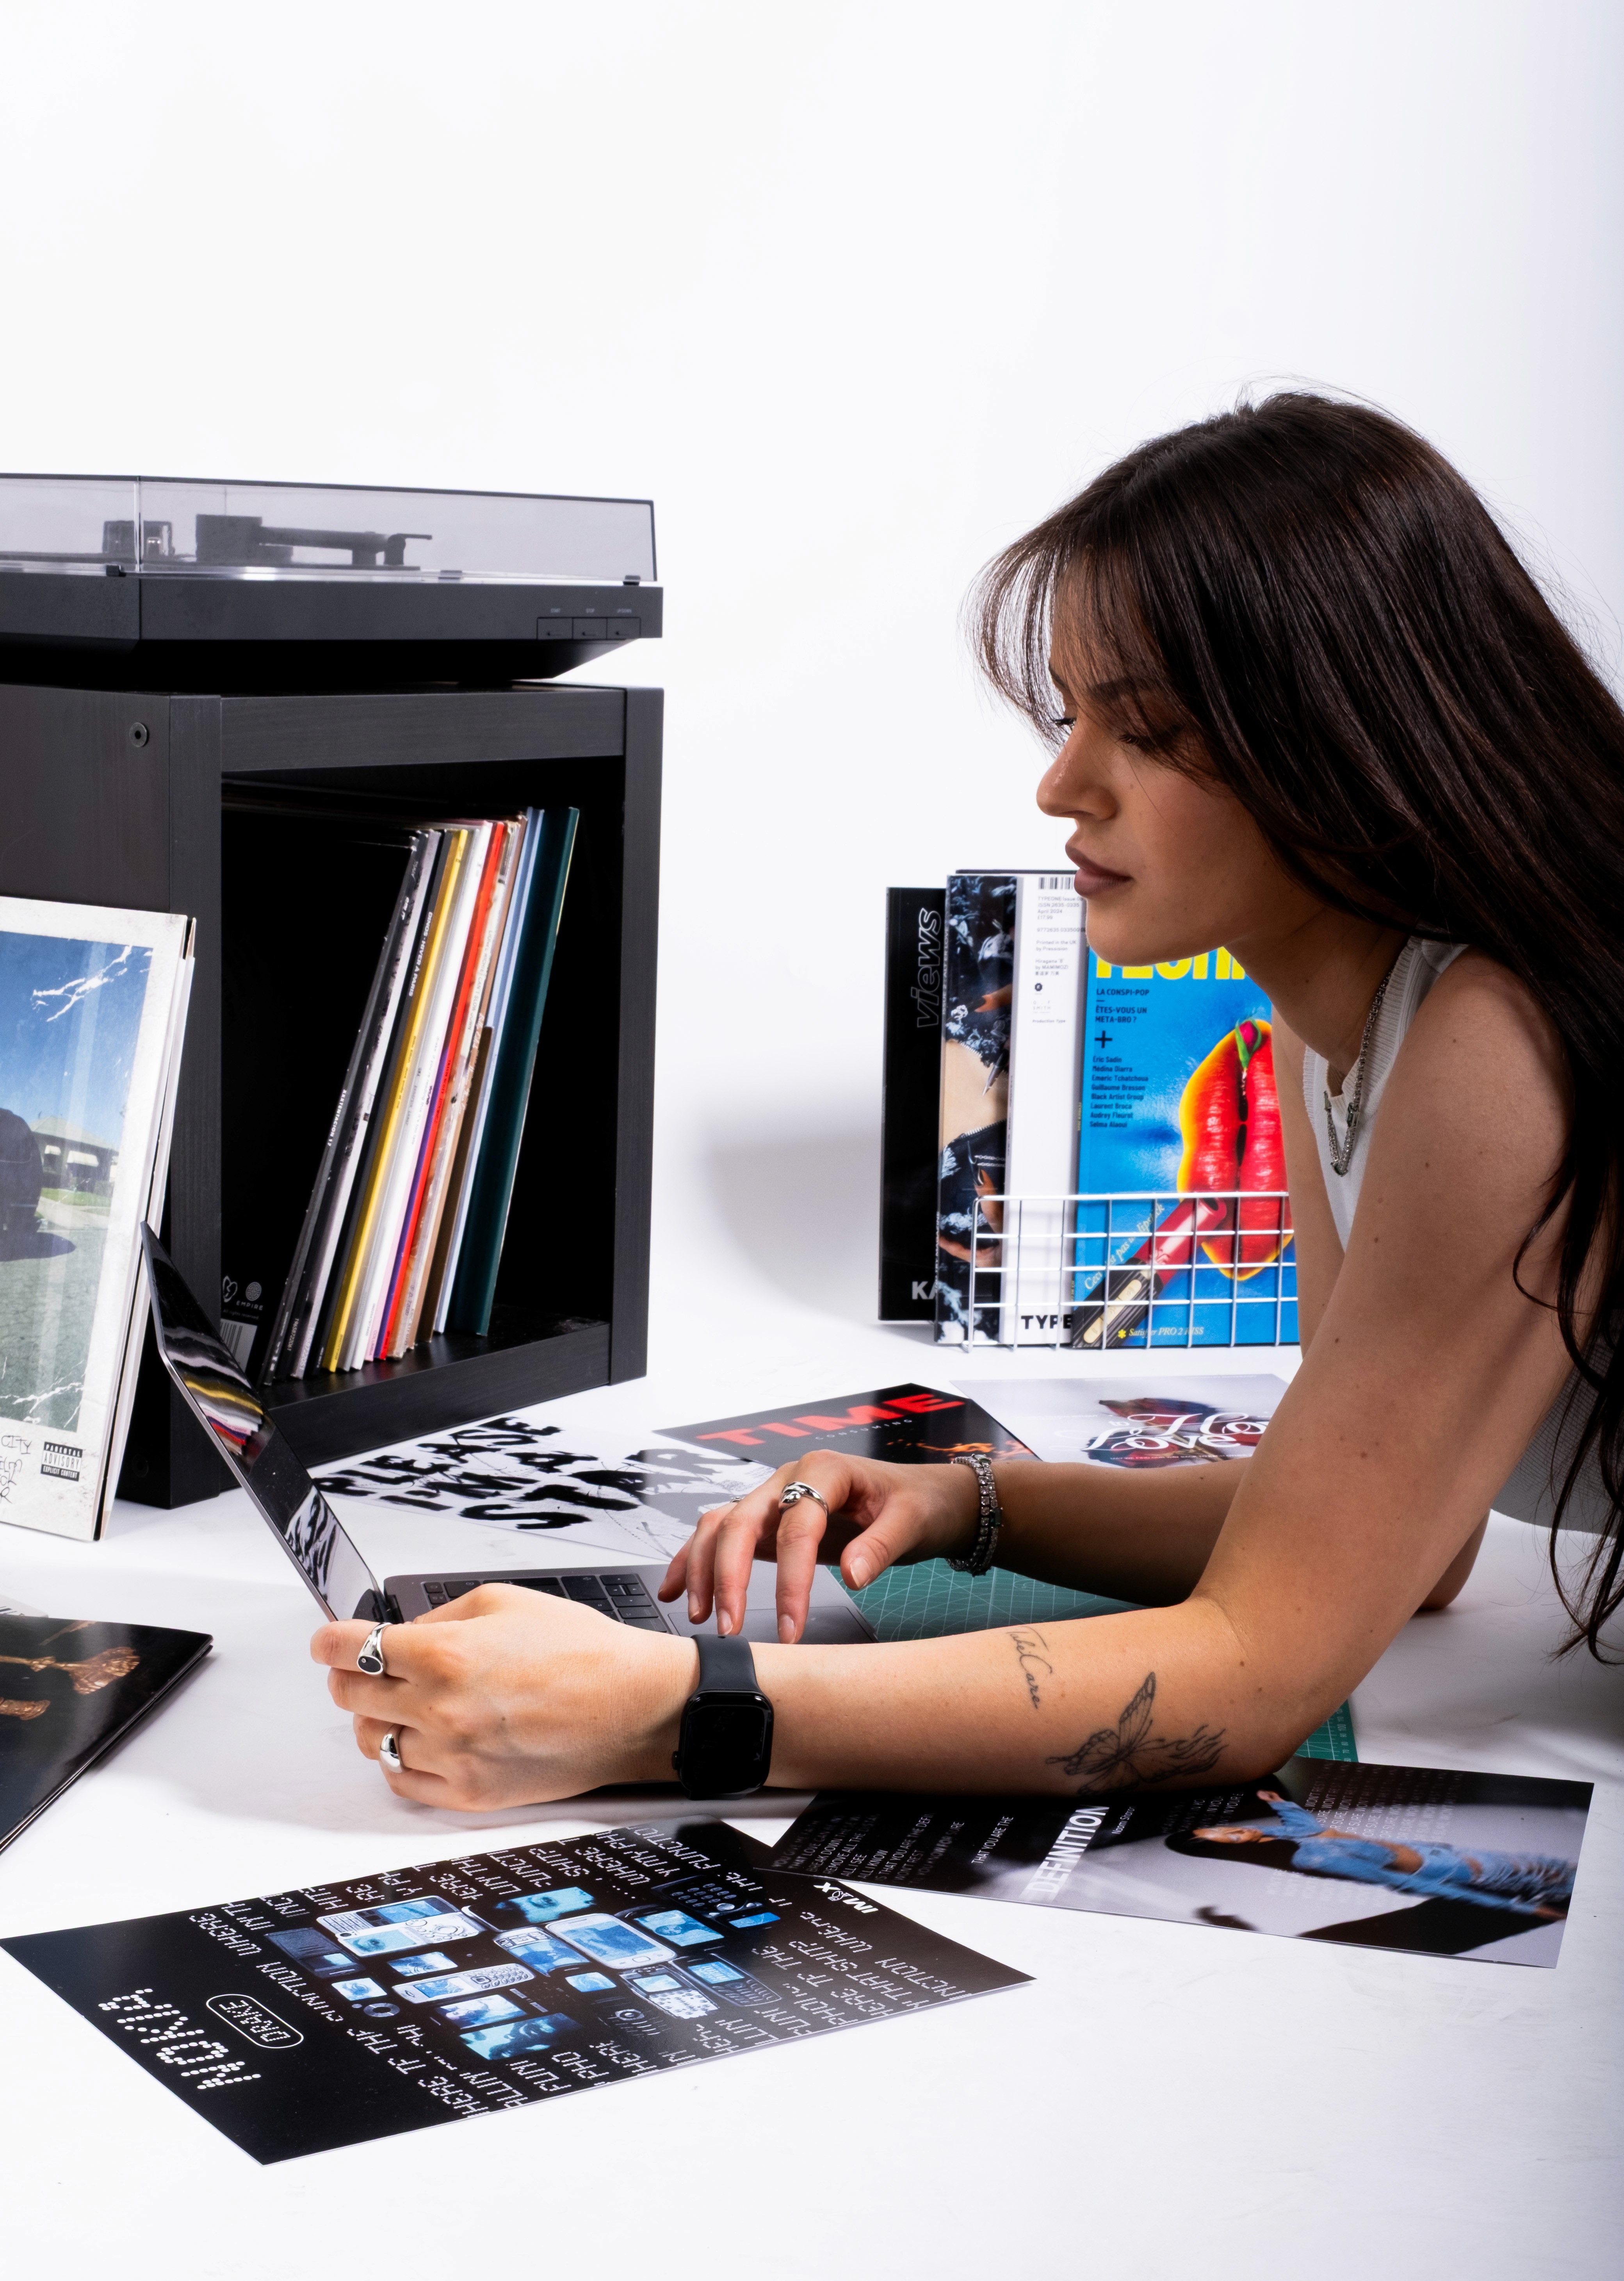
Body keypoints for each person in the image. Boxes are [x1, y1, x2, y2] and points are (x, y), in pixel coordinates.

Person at [314, 393, 1624, 1810]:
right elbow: (1398, 1541)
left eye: (1152, 730)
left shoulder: (1491, 1041)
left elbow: (1254, 1673)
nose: (1063, 784)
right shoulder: (1341, 1028)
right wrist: (971, 1504)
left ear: (1347, 733)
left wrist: (672, 1709)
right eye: (1072, 716)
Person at [1179, 1791, 1575, 1921]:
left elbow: (1296, 1822)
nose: (1230, 1832)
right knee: (1562, 1881)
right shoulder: (1313, 1860)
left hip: (1454, 1851)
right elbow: (1406, 1883)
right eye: (1219, 1839)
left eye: (1218, 1827)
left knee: (1560, 1869)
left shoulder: (1276, 1834)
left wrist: (1278, 1799)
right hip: (1463, 1871)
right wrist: (1522, 1910)